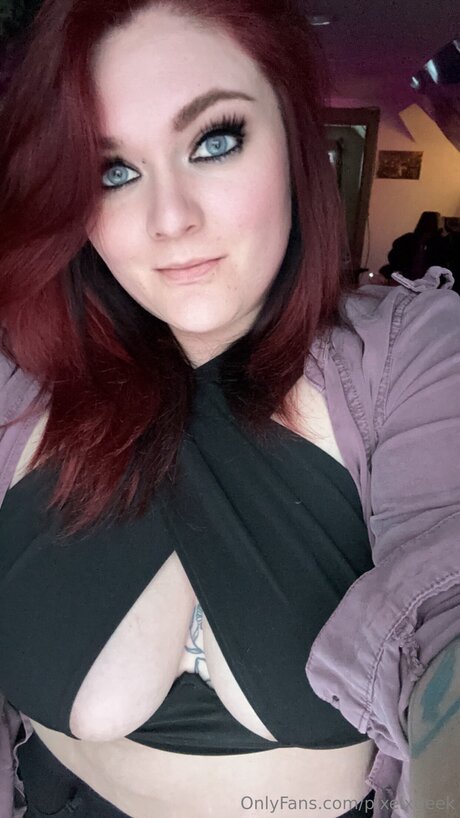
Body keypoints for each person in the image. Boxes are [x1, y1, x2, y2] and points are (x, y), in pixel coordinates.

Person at [0, 2, 459, 818]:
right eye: (113, 171)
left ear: (292, 136)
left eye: (214, 141)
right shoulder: (22, 378)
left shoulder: (412, 356)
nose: (171, 219)